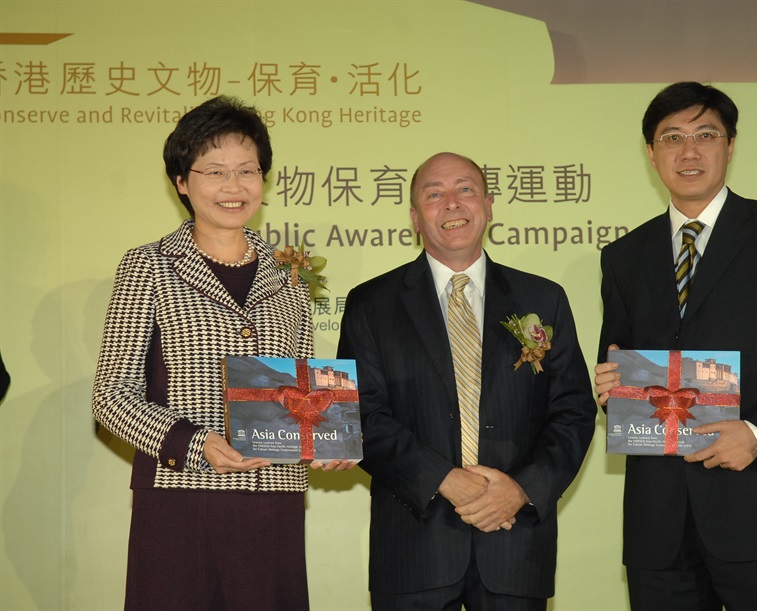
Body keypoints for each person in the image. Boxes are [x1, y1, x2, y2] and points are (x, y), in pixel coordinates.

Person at [595, 82, 757, 611]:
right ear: (651, 153)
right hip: (658, 525)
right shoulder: (624, 255)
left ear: (730, 145)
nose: (688, 152)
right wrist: (608, 386)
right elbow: (621, 362)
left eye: (705, 135)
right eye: (672, 137)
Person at [92, 95, 351, 611]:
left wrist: (326, 438)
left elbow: (300, 387)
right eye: (214, 172)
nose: (233, 187)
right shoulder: (150, 266)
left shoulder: (289, 277)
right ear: (182, 182)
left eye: (247, 171)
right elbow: (110, 396)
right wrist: (196, 443)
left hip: (273, 502)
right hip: (180, 498)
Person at [337, 152, 596, 610]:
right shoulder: (371, 304)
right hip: (413, 548)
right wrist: (444, 479)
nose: (452, 204)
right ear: (415, 218)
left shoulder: (543, 298)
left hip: (515, 542)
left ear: (490, 205)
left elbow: (573, 412)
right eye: (434, 194)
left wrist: (520, 490)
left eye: (465, 189)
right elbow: (360, 414)